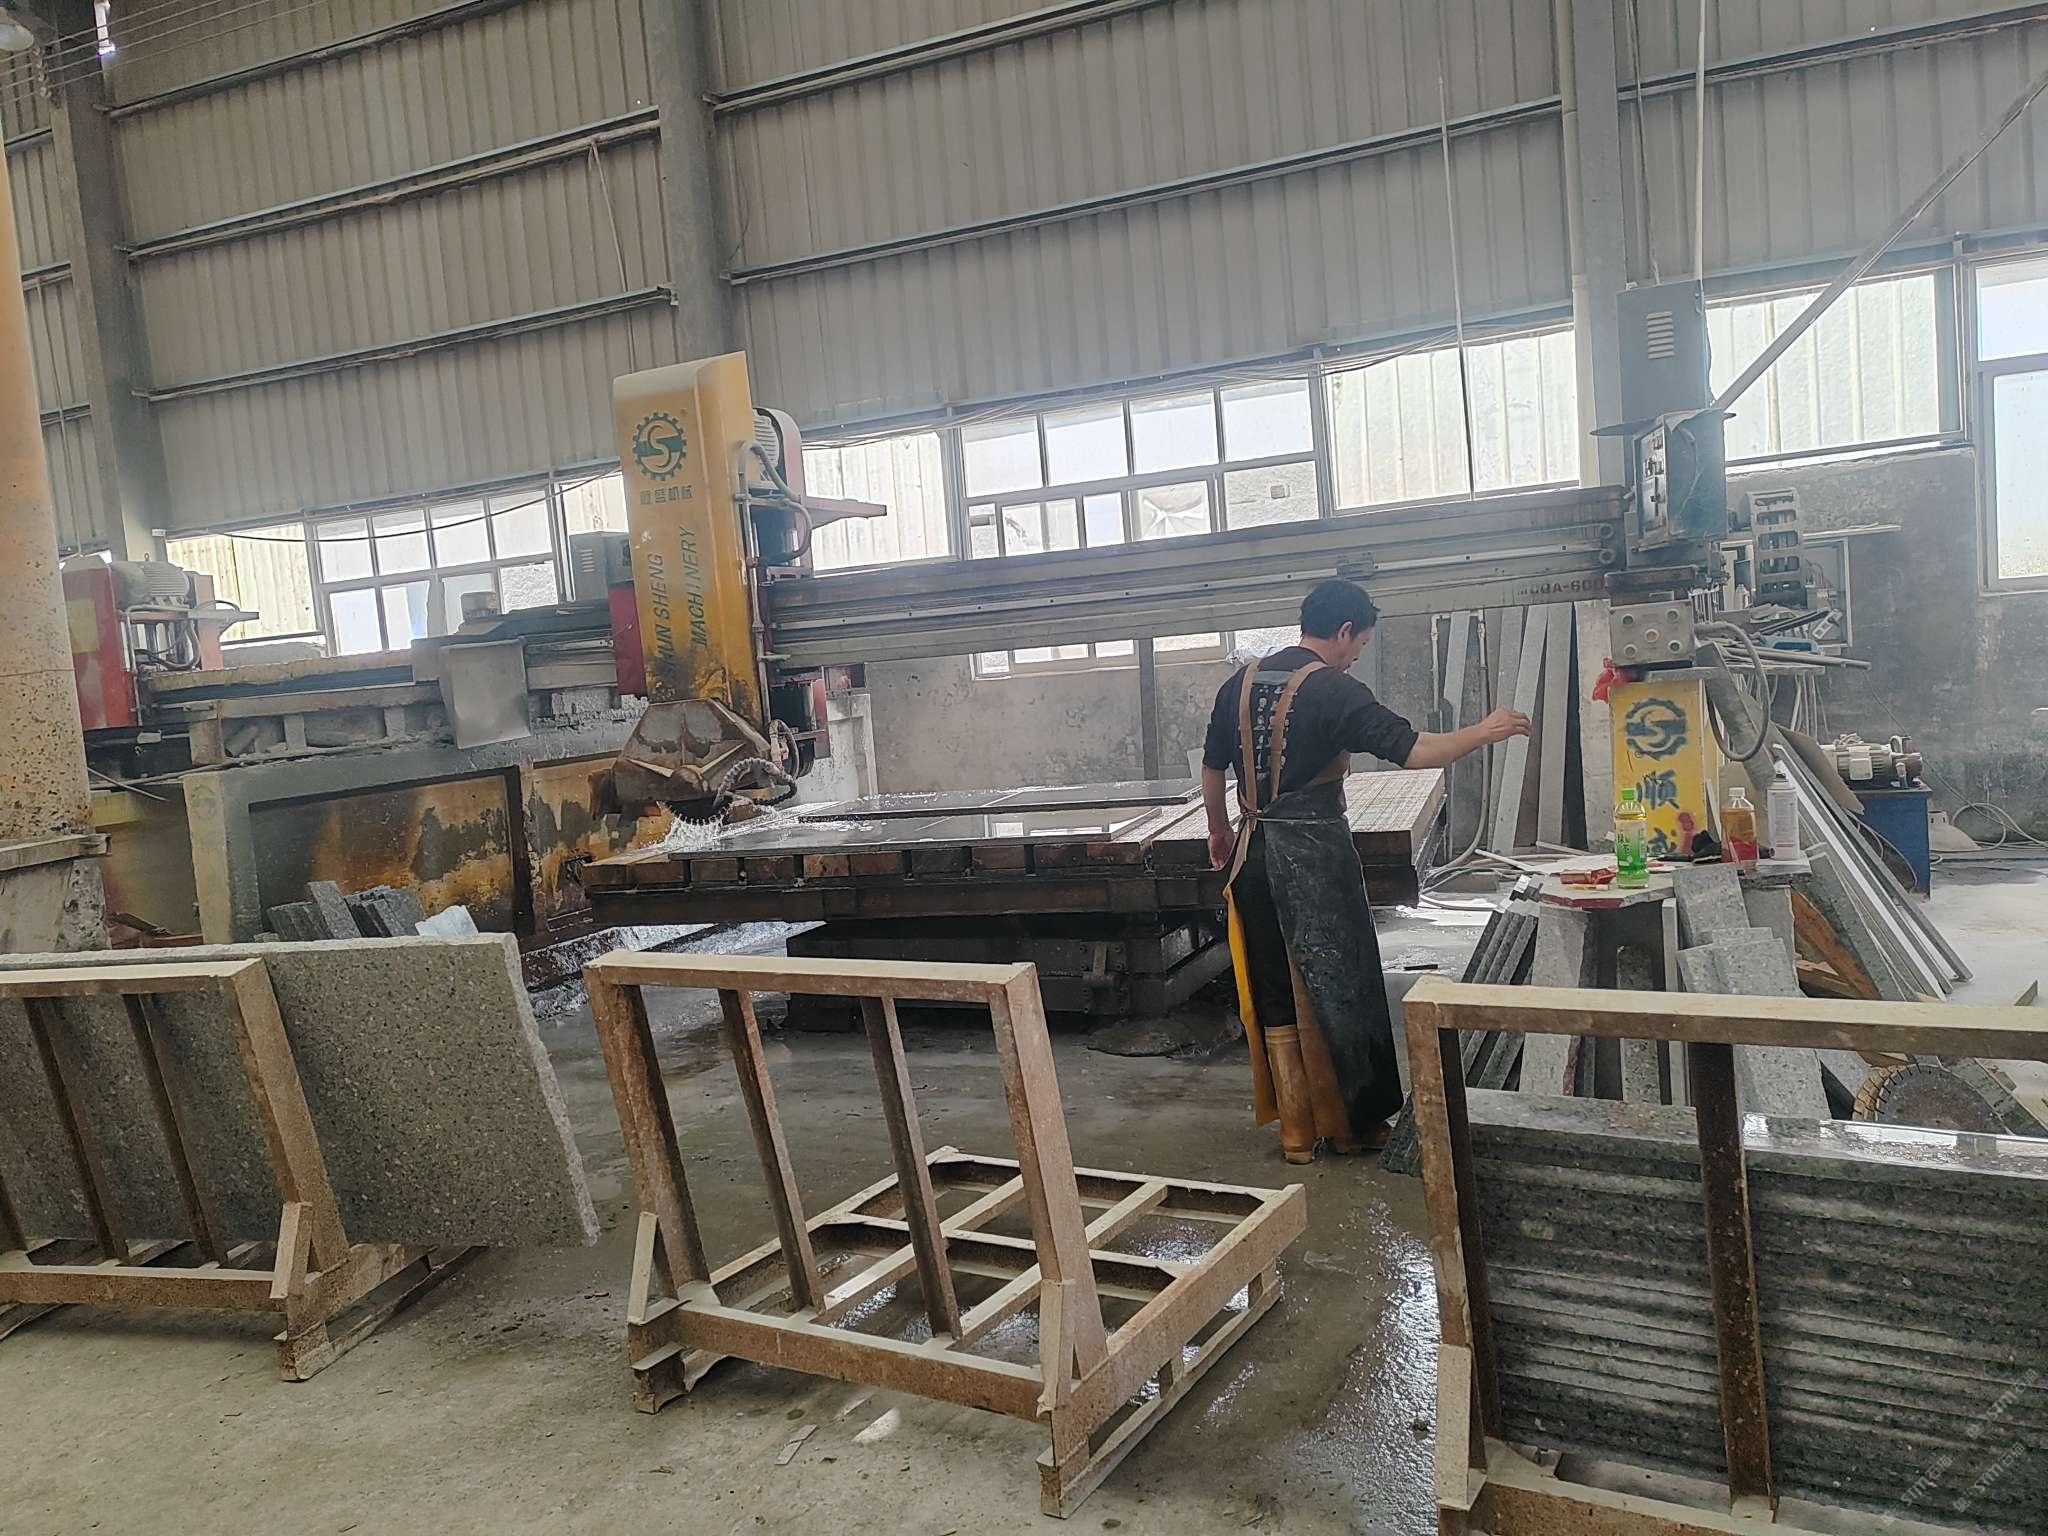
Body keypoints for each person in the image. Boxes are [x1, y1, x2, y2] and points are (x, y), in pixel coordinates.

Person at [1200, 579, 1529, 1162]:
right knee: (1343, 989)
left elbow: (1211, 765)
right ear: (1345, 630)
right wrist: (1485, 731)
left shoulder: (1239, 682)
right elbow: (1415, 751)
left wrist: (1220, 829)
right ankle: (1353, 1126)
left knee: (1275, 988)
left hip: (1252, 856)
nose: (1356, 656)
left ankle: (1296, 1132)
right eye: (1360, 644)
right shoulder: (1334, 690)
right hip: (1315, 859)